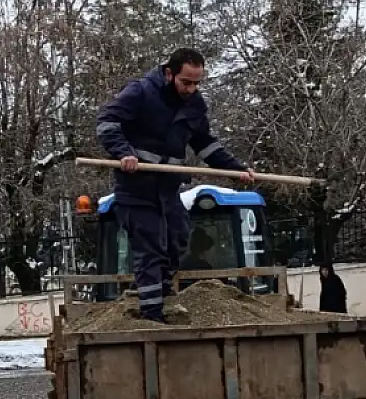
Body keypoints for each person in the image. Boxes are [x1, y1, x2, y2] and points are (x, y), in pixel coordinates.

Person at [96, 47, 256, 322]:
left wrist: (235, 169)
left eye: (197, 83)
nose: (191, 88)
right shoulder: (141, 93)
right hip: (136, 188)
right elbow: (106, 123)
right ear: (170, 74)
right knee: (150, 247)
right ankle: (152, 313)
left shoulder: (194, 106)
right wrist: (124, 152)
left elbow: (205, 144)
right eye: (186, 82)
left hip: (168, 189)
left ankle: (163, 291)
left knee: (177, 239)